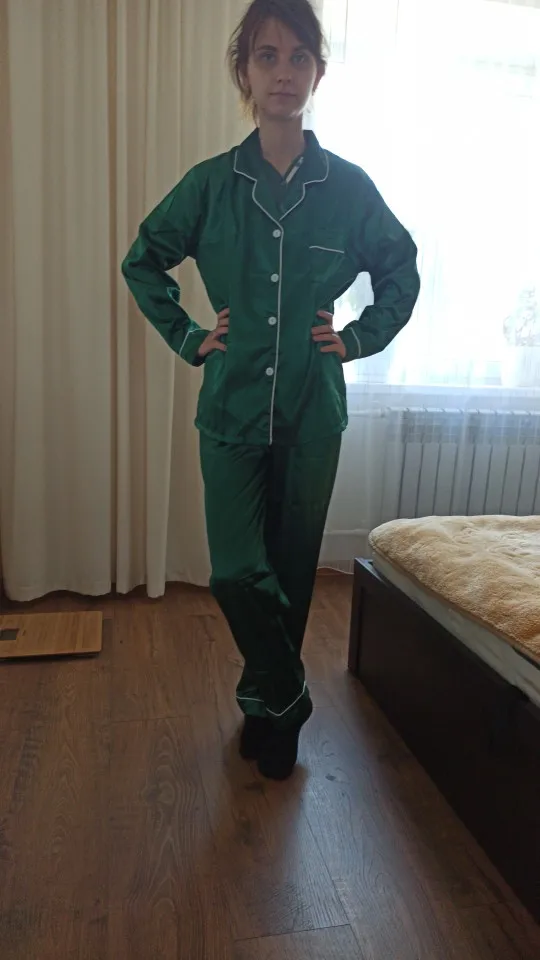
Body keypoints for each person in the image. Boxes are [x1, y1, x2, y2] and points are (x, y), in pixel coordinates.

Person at [122, 0, 420, 780]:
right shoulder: (210, 186)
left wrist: (358, 338)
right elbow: (142, 260)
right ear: (244, 72)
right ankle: (290, 699)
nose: (283, 73)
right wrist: (190, 334)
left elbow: (400, 268)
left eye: (298, 57)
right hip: (228, 411)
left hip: (313, 413)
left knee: (289, 575)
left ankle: (263, 710)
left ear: (318, 72)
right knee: (234, 572)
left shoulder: (348, 188)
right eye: (266, 56)